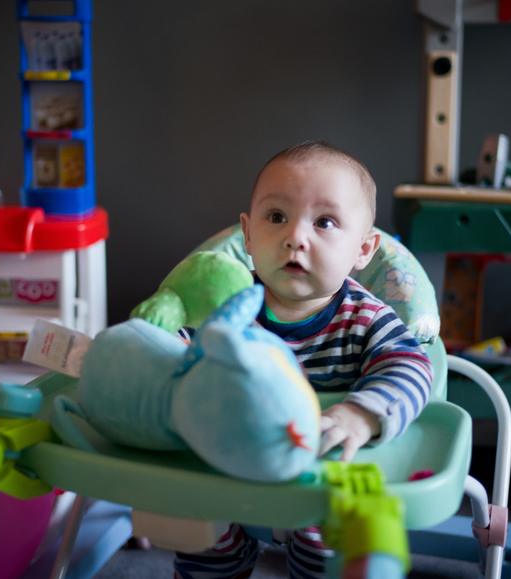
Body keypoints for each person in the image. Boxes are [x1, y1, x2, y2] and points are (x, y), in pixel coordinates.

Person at [173, 141, 433, 579]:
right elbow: (176, 350)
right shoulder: (229, 303)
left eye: (326, 222)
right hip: (226, 462)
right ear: (248, 235)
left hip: (322, 473)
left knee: (327, 550)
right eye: (276, 217)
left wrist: (360, 415)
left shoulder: (365, 318)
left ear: (363, 250)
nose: (296, 236)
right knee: (199, 533)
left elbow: (409, 366)